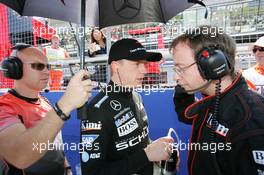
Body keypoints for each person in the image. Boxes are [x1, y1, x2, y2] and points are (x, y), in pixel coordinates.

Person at [170, 25, 264, 175]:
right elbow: (186, 114)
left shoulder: (251, 118)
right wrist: (184, 85)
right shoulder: (212, 99)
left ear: (213, 64)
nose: (175, 76)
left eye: (180, 68)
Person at [80, 38, 174, 175]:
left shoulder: (136, 95)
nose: (144, 70)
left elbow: (139, 145)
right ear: (115, 66)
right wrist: (147, 155)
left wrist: (158, 151)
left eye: (145, 64)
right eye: (137, 64)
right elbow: (92, 172)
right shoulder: (96, 109)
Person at [0, 43, 94, 175]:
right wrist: (65, 104)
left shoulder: (45, 102)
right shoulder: (4, 107)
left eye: (48, 66)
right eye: (38, 66)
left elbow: (56, 144)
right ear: (14, 68)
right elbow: (20, 156)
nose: (46, 71)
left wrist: (67, 168)